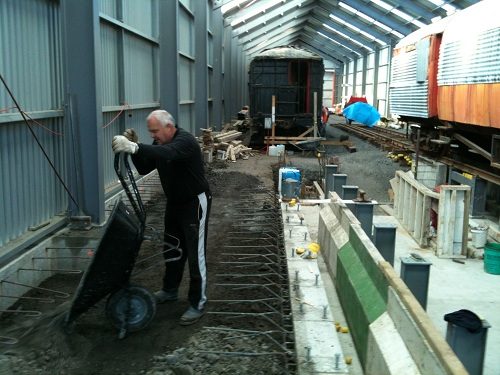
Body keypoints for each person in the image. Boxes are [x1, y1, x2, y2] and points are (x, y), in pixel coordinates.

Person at [111, 110, 211, 325]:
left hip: (195, 202)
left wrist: (136, 147)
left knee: (196, 254)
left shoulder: (185, 141)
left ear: (169, 127)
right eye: (150, 132)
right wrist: (135, 149)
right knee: (173, 247)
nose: (153, 135)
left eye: (155, 131)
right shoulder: (160, 144)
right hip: (175, 203)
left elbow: (169, 153)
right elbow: (147, 166)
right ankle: (170, 290)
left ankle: (197, 303)